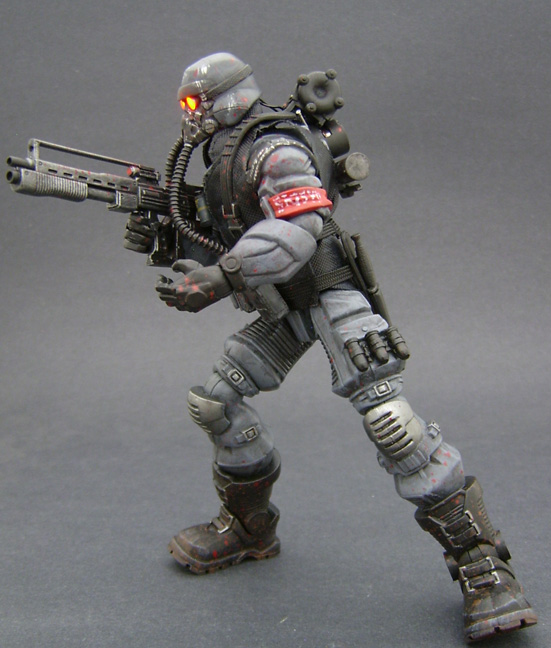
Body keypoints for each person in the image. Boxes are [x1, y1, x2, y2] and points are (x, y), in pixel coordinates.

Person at [123, 52, 536, 643]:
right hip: (282, 307)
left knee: (394, 426)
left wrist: (221, 278)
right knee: (216, 403)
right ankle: (250, 528)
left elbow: (297, 230)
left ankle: (483, 564)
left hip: (331, 294)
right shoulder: (222, 161)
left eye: (196, 102)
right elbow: (219, 239)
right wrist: (163, 236)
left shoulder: (274, 148)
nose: (190, 114)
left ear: (228, 96)